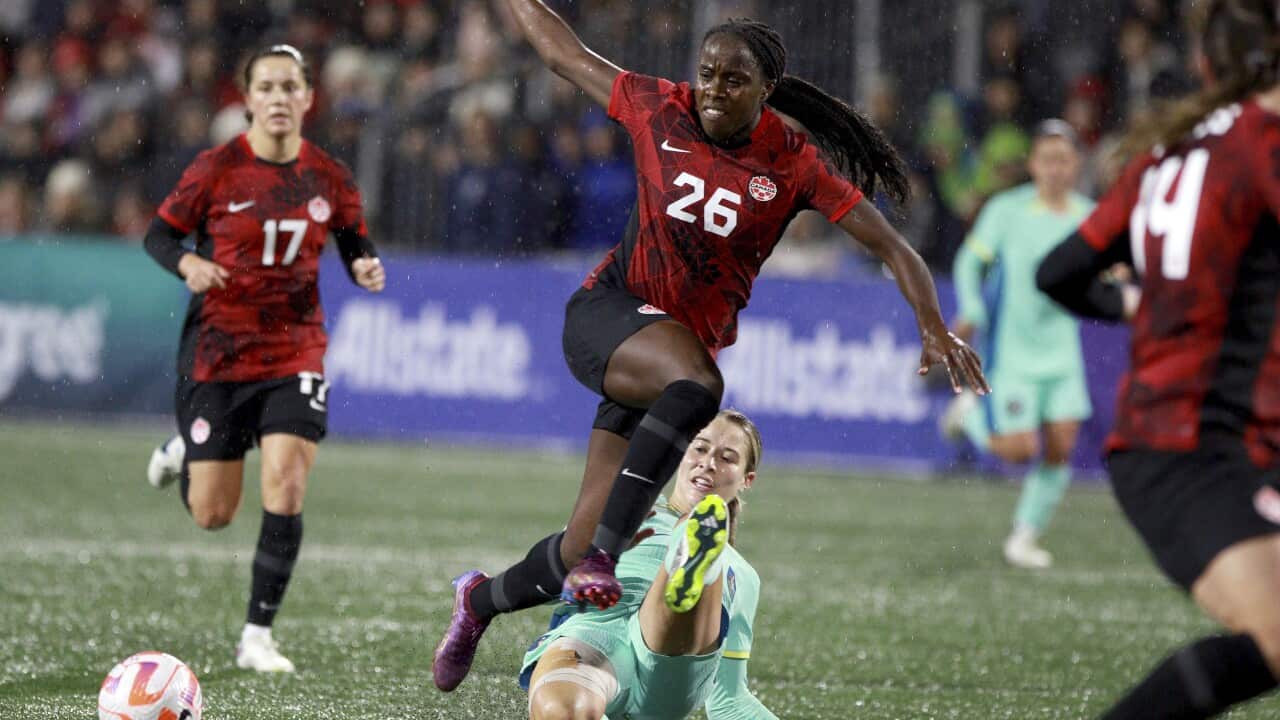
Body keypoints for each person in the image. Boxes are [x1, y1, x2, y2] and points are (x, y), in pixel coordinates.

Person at [432, 2, 989, 692]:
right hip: (607, 320)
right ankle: (604, 561)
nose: (714, 91)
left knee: (576, 539)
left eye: (733, 80)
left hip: (660, 367)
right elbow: (562, 55)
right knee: (698, 391)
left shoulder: (791, 163)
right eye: (707, 75)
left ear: (765, 91)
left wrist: (933, 323)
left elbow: (892, 245)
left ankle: (478, 600)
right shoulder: (655, 107)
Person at [1036, 1, 1280, 716]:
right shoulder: (1258, 146)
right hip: (1193, 447)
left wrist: (1133, 305)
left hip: (1202, 440)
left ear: (1208, 66)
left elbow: (1060, 272)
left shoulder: (1168, 154)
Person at [142, 44, 386, 673]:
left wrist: (364, 264)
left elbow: (355, 240)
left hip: (295, 347)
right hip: (219, 353)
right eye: (267, 88)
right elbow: (159, 235)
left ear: (308, 98)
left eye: (290, 87)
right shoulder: (216, 168)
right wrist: (188, 261)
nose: (278, 98)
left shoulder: (329, 174)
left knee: (286, 481)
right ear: (247, 99)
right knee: (212, 515)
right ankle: (186, 453)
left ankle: (257, 636)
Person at [520, 410, 775, 720]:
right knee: (564, 711)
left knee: (683, 595)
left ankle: (692, 551)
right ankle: (692, 552)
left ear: (747, 479)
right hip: (595, 633)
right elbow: (548, 573)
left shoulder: (743, 576)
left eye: (727, 458)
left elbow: (728, 701)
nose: (709, 463)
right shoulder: (623, 511)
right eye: (700, 448)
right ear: (682, 452)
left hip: (669, 661)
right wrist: (586, 562)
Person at [945, 120, 1095, 569]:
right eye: (1047, 159)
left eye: (1063, 160)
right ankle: (969, 415)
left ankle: (1024, 538)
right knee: (1019, 449)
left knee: (1060, 447)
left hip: (1063, 353)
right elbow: (970, 261)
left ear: (1076, 166)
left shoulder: (1088, 214)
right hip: (1013, 353)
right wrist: (971, 308)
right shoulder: (1007, 211)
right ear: (1032, 164)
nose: (1054, 168)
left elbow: (1108, 268)